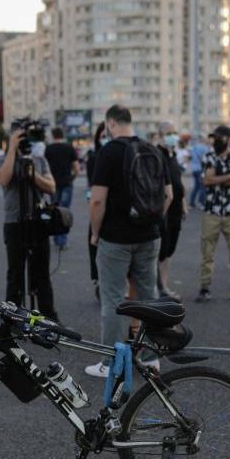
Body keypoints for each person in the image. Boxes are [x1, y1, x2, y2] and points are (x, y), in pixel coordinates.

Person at [86, 104, 172, 377]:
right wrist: (152, 220)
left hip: (115, 238)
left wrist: (95, 232)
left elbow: (97, 200)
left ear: (110, 123)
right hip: (149, 236)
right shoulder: (153, 149)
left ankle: (112, 363)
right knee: (149, 297)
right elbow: (169, 195)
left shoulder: (108, 152)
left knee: (113, 300)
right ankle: (150, 359)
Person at [0, 123, 58, 319]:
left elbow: (51, 187)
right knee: (15, 275)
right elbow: (3, 180)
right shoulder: (4, 160)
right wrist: (12, 149)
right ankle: (11, 320)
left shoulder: (39, 160)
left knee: (41, 275)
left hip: (38, 222)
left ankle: (49, 319)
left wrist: (33, 174)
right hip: (14, 223)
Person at [197, 125, 230, 303]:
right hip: (211, 211)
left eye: (220, 137)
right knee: (207, 252)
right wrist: (228, 177)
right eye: (215, 137)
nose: (216, 140)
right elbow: (207, 180)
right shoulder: (208, 156)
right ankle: (204, 287)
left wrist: (217, 178)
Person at [157, 121, 187, 300]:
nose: (173, 136)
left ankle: (164, 285)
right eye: (169, 133)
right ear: (160, 136)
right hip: (163, 209)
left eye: (175, 132)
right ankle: (159, 289)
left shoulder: (173, 154)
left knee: (169, 250)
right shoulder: (157, 155)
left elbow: (178, 181)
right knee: (161, 250)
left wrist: (183, 203)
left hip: (176, 209)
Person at [44, 126, 80, 249]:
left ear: (53, 136)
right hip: (66, 184)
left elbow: (44, 168)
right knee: (65, 211)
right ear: (62, 135)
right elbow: (77, 168)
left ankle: (56, 236)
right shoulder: (69, 148)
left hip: (53, 185)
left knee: (54, 210)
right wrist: (71, 178)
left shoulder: (48, 149)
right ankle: (62, 240)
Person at [85, 122, 107, 299]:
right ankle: (98, 279)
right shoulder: (94, 157)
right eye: (103, 136)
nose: (106, 140)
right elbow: (91, 185)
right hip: (99, 207)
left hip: (117, 211)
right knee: (94, 242)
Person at [189, 136, 209, 209]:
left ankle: (191, 202)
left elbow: (191, 157)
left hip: (194, 169)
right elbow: (206, 159)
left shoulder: (194, 147)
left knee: (196, 187)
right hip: (201, 169)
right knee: (202, 187)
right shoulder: (205, 148)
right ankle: (201, 203)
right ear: (204, 140)